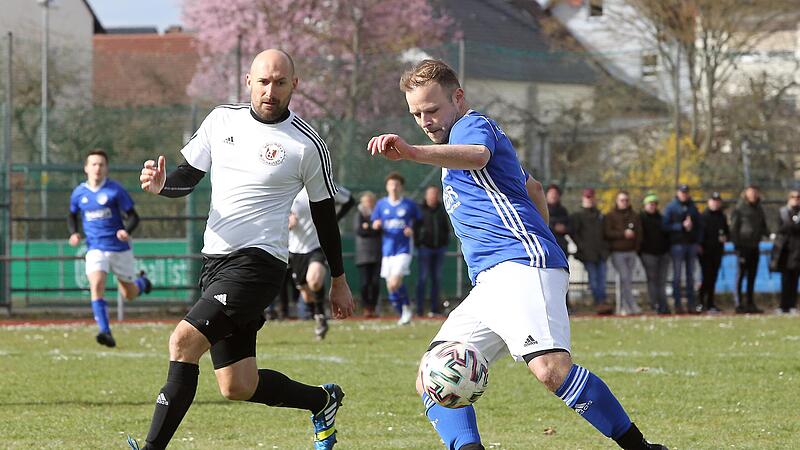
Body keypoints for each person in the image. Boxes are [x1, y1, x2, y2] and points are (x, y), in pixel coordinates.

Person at [368, 59, 665, 450]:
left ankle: (641, 448)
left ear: (457, 98)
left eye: (432, 109)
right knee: (433, 375)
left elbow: (477, 155)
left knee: (550, 370)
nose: (425, 120)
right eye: (416, 113)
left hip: (520, 266)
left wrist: (411, 153)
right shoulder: (447, 149)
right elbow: (535, 188)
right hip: (492, 281)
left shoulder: (471, 126)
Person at [127, 49, 354, 450]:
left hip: (260, 263)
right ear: (249, 81)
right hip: (215, 261)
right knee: (238, 385)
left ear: (294, 85)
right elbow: (187, 176)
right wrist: (164, 185)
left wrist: (338, 279)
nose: (271, 91)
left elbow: (325, 217)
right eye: (264, 81)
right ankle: (322, 400)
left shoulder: (306, 144)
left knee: (182, 341)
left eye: (280, 82)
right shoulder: (220, 120)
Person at [68, 149, 152, 348]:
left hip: (119, 248)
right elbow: (71, 215)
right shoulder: (79, 193)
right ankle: (105, 331)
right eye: (94, 164)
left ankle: (142, 283)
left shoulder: (115, 190)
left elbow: (133, 216)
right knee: (96, 286)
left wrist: (126, 230)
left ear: (106, 168)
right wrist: (73, 233)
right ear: (86, 168)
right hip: (95, 248)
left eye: (101, 164)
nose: (97, 168)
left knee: (129, 294)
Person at [288, 185, 354, 339]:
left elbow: (349, 200)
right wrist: (288, 217)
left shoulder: (322, 181)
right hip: (295, 249)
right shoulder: (287, 183)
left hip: (317, 245)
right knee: (305, 294)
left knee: (314, 281)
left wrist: (332, 220)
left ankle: (321, 318)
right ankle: (318, 314)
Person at [371, 171, 421, 325]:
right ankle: (403, 313)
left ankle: (406, 309)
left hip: (403, 249)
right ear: (387, 187)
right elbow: (374, 222)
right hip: (387, 250)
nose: (393, 187)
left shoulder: (409, 204)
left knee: (394, 282)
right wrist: (376, 225)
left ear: (401, 187)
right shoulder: (381, 205)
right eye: (391, 184)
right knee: (391, 288)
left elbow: (419, 222)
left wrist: (412, 229)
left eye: (396, 185)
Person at [570, 188, 613, 314]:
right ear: (583, 199)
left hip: (601, 253)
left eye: (591, 197)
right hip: (587, 254)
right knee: (593, 280)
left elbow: (605, 233)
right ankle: (599, 302)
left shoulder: (600, 215)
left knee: (602, 279)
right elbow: (574, 234)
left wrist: (606, 249)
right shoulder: (578, 216)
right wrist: (582, 247)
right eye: (587, 197)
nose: (589, 200)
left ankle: (602, 302)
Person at [662, 184, 701, 314]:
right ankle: (677, 304)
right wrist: (681, 226)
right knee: (677, 276)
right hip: (677, 245)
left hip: (691, 244)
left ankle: (691, 304)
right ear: (678, 193)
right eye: (682, 192)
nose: (684, 194)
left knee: (691, 276)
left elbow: (699, 225)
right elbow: (665, 226)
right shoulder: (671, 207)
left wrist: (697, 240)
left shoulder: (693, 207)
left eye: (686, 192)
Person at [730, 185, 769, 314]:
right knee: (740, 275)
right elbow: (734, 229)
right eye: (751, 192)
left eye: (755, 192)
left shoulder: (759, 209)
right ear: (746, 193)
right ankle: (738, 303)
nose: (753, 195)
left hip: (754, 246)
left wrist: (769, 234)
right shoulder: (740, 209)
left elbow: (763, 226)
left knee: (752, 276)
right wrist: (737, 246)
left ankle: (750, 303)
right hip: (743, 247)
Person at [604, 191, 642, 315]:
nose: (624, 202)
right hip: (618, 253)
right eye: (622, 200)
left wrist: (636, 249)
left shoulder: (634, 216)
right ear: (617, 201)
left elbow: (639, 234)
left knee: (628, 280)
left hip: (631, 252)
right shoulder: (610, 216)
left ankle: (626, 306)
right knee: (623, 278)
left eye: (626, 200)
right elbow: (607, 233)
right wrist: (623, 234)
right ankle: (626, 306)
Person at [415, 185, 450, 317]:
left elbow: (446, 228)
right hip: (425, 248)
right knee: (422, 279)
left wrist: (444, 242)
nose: (433, 196)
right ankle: (419, 310)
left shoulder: (442, 209)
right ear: (426, 196)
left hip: (439, 249)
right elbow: (415, 227)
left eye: (435, 194)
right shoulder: (420, 210)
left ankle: (434, 310)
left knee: (437, 279)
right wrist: (418, 242)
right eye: (431, 194)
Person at [769, 189, 800, 314]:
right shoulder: (782, 212)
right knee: (785, 279)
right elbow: (779, 228)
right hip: (785, 251)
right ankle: (783, 305)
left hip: (797, 251)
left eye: (798, 197)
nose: (796, 199)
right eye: (793, 197)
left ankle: (792, 305)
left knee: (795, 279)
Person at [638, 193, 670, 314]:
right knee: (652, 280)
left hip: (663, 253)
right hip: (648, 253)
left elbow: (667, 234)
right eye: (650, 204)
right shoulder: (641, 218)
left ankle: (664, 305)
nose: (652, 206)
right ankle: (655, 304)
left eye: (654, 204)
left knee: (662, 281)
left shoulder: (661, 219)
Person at [697, 192, 729, 313]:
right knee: (706, 277)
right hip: (705, 251)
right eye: (713, 200)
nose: (715, 203)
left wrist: (725, 237)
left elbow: (726, 232)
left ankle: (710, 303)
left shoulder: (722, 216)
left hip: (717, 250)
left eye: (717, 201)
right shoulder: (703, 216)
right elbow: (699, 234)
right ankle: (700, 302)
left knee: (713, 277)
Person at [354, 191, 383, 317]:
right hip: (363, 255)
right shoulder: (358, 214)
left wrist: (368, 227)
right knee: (365, 283)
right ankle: (366, 307)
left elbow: (380, 230)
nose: (368, 204)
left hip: (377, 253)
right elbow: (360, 231)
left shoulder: (378, 214)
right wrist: (372, 228)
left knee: (375, 283)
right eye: (366, 201)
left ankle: (373, 307)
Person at [546, 184, 571, 310]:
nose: (553, 196)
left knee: (563, 277)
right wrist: (554, 227)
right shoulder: (541, 208)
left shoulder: (563, 211)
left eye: (555, 194)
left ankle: (565, 305)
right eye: (551, 194)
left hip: (561, 248)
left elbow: (569, 226)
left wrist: (563, 228)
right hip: (547, 248)